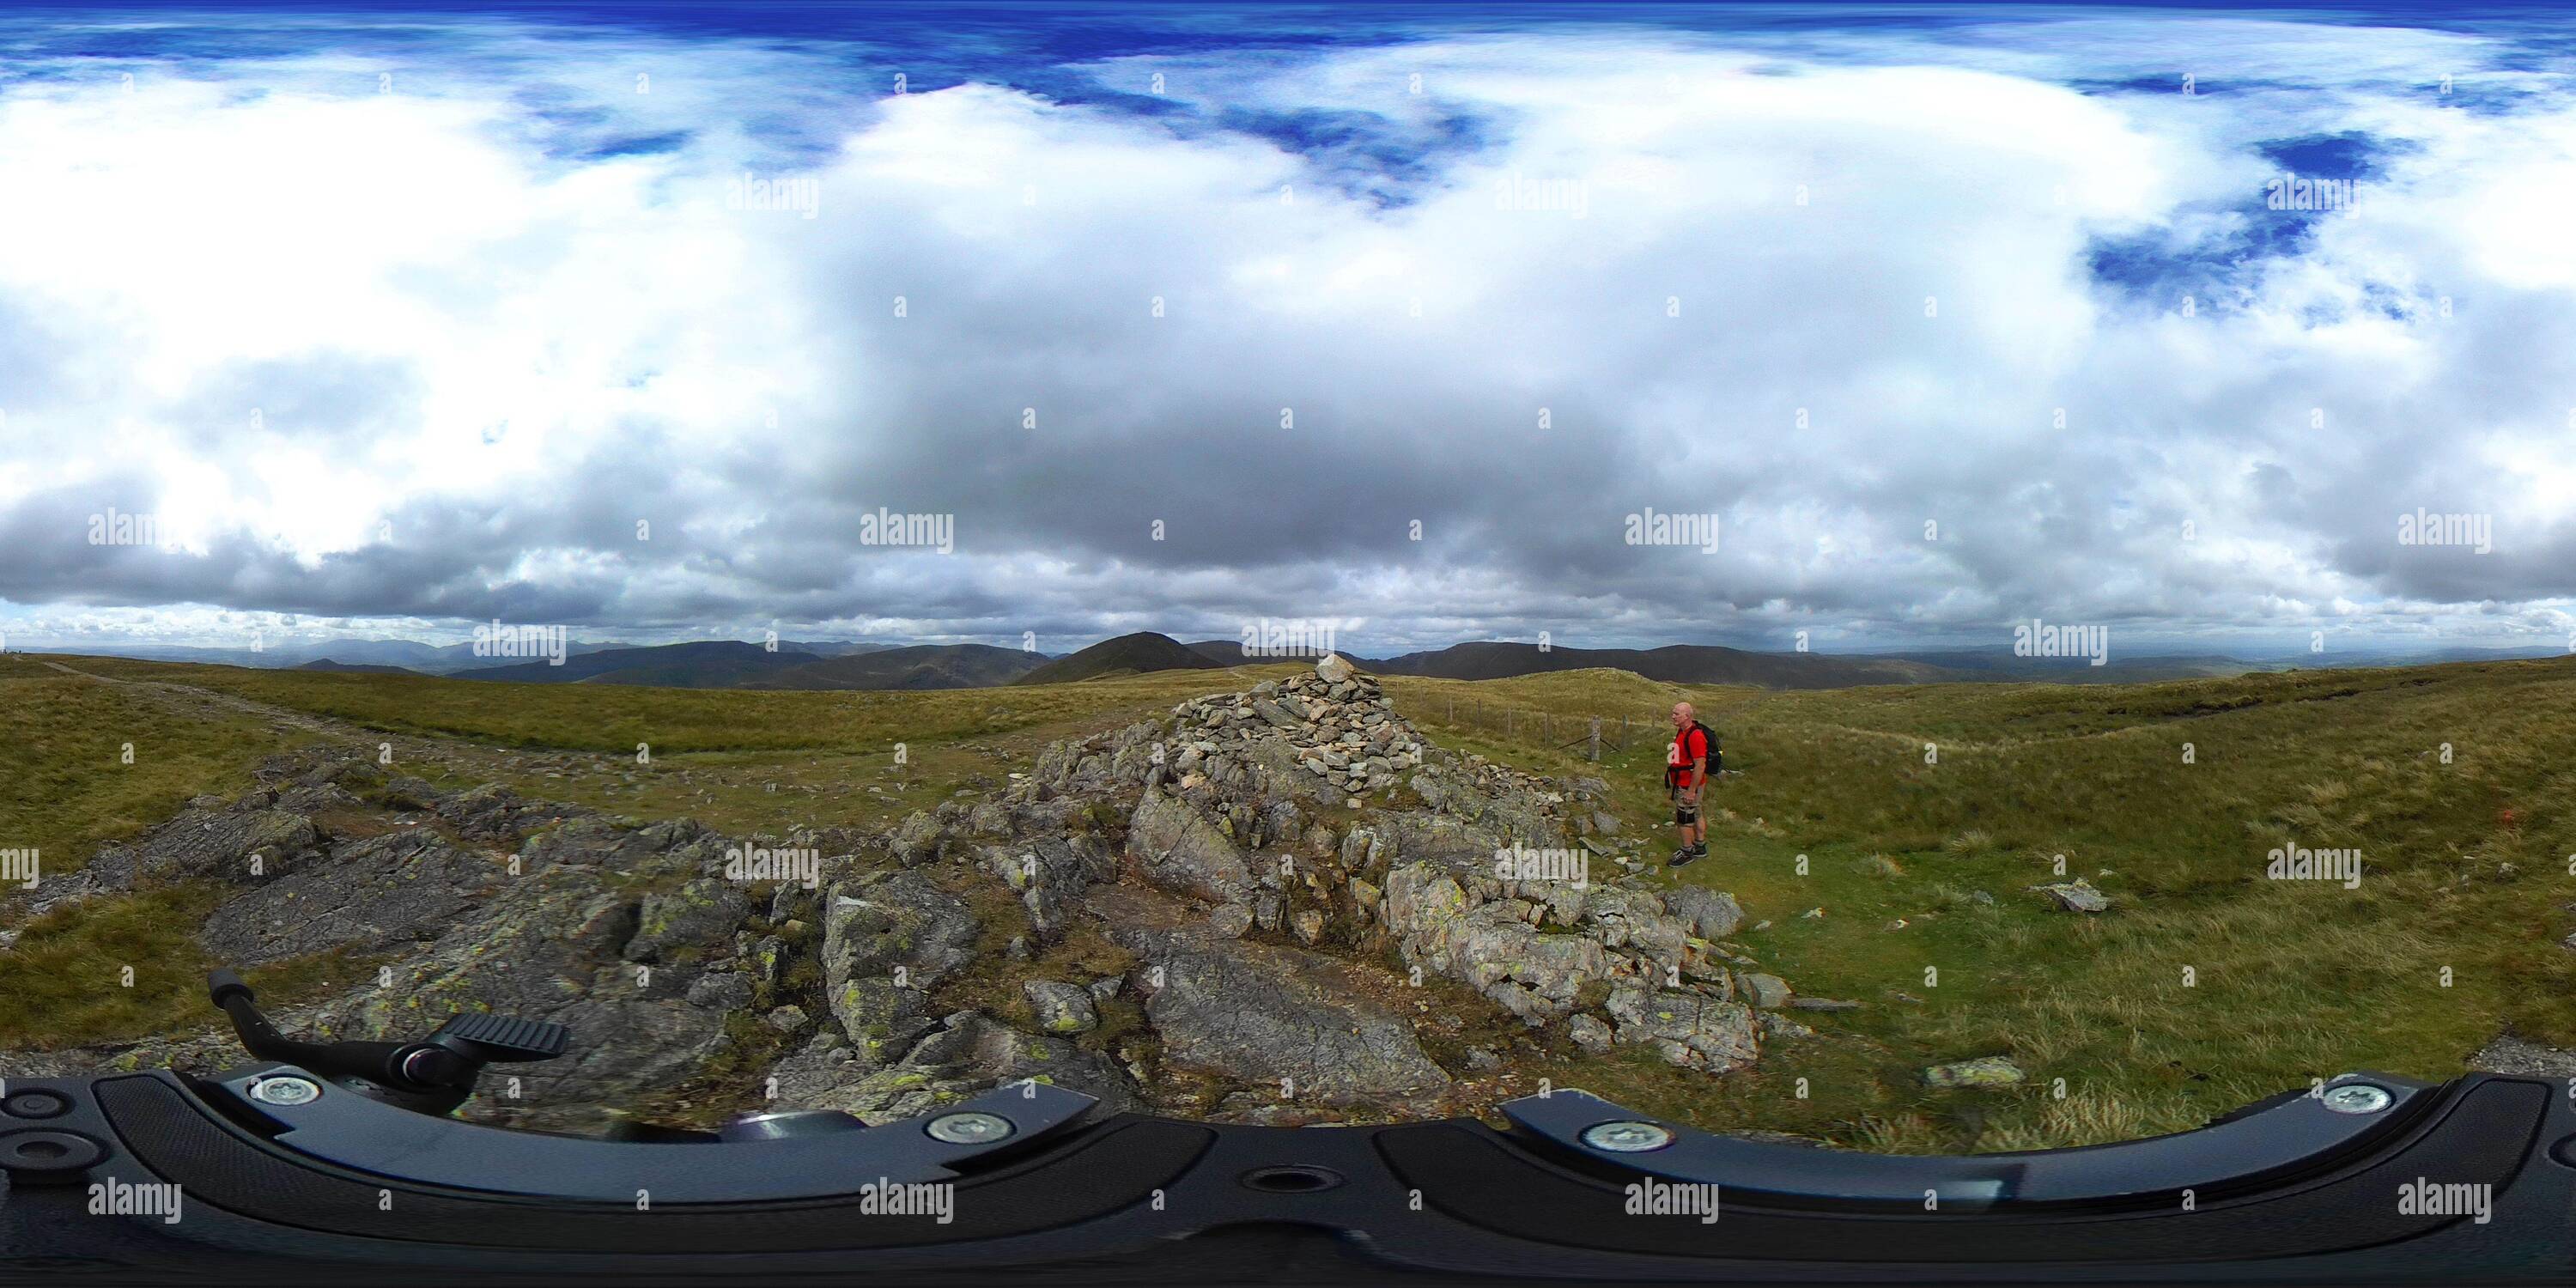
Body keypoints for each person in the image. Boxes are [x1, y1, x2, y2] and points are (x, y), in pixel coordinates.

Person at [1665, 702, 1713, 866]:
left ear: (1687, 716)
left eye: (1676, 713)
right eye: (1673, 713)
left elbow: (1700, 765)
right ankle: (1700, 846)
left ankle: (1687, 852)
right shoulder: (1683, 731)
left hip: (1688, 784)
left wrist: (1691, 791)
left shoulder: (1695, 736)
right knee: (1697, 813)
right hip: (1688, 782)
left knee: (1684, 818)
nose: (1673, 716)